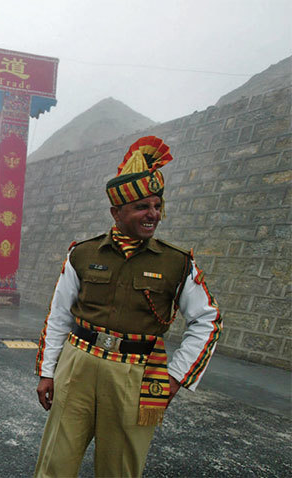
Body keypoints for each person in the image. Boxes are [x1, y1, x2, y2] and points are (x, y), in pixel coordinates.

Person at [33, 136, 222, 477]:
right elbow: (59, 314)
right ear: (116, 212)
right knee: (56, 463)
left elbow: (208, 320)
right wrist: (48, 371)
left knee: (120, 468)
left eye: (157, 206)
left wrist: (176, 376)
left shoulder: (177, 263)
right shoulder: (83, 253)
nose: (153, 214)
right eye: (141, 207)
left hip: (136, 374)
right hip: (77, 365)